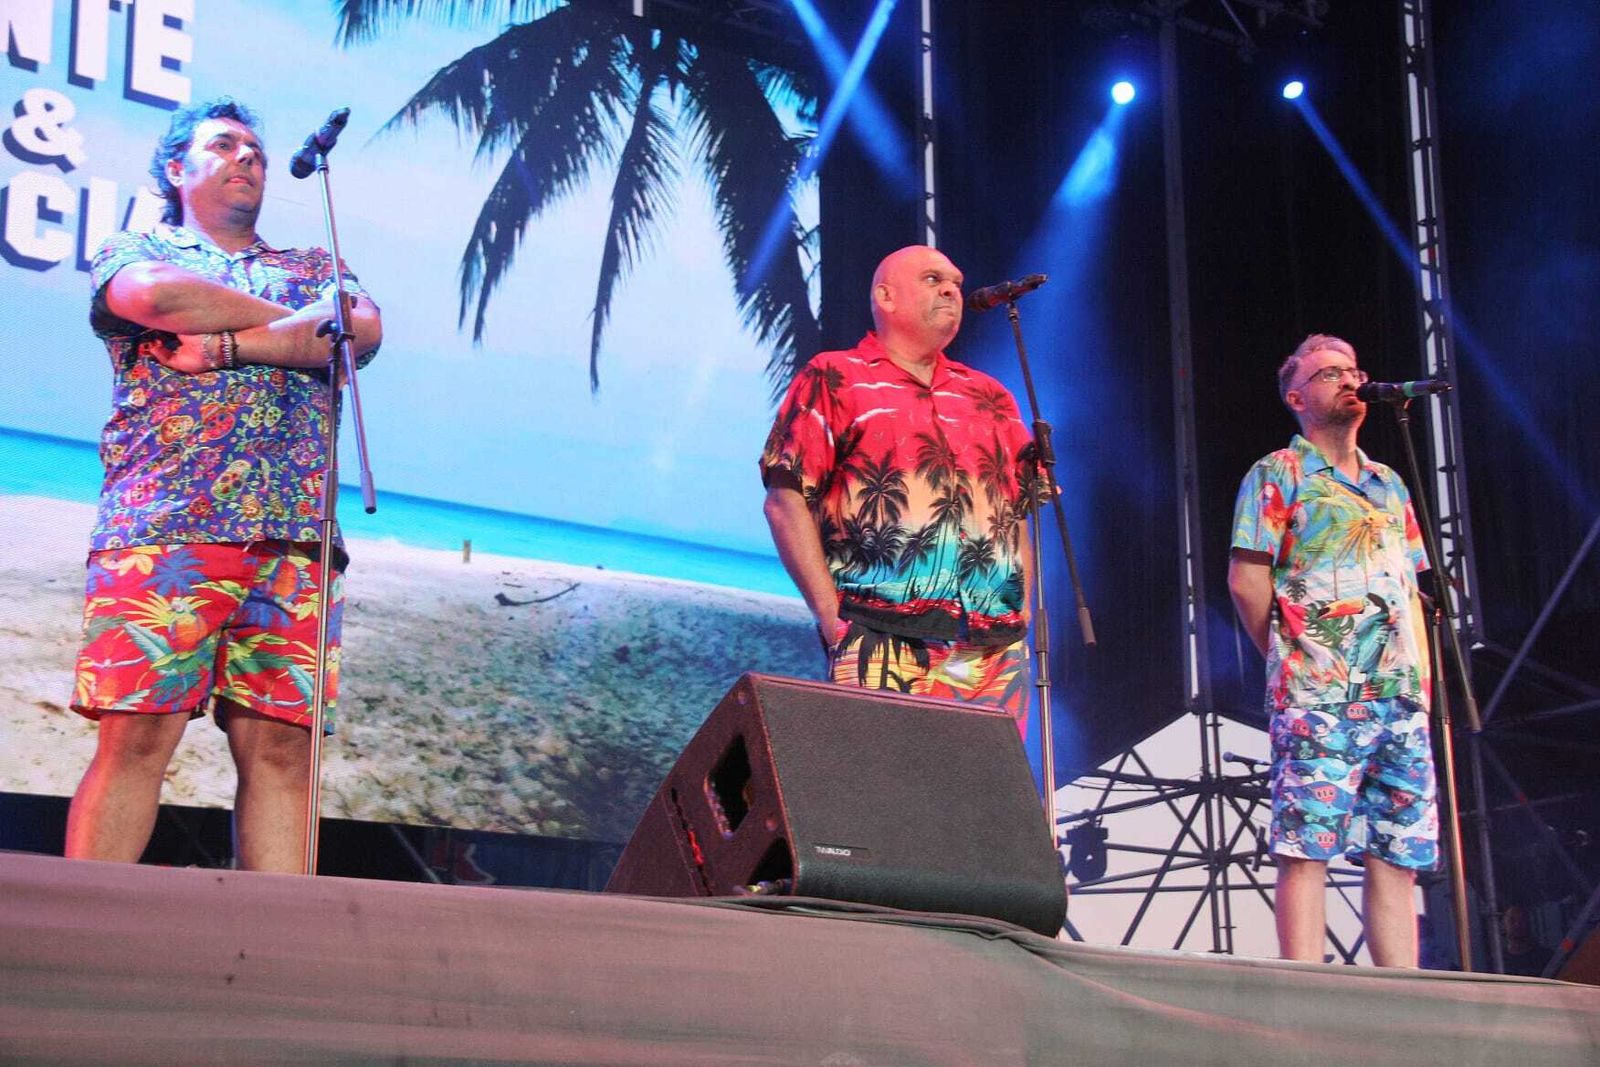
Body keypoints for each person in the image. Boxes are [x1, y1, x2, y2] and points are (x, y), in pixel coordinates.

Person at [64, 98, 383, 873]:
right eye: (224, 144)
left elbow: (361, 329)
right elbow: (154, 299)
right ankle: (76, 941)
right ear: (177, 168)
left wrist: (231, 345)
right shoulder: (139, 246)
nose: (247, 157)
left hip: (296, 540)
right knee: (138, 736)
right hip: (166, 530)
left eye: (257, 150)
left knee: (283, 751)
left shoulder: (314, 265)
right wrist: (303, 325)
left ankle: (275, 959)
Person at [1227, 334, 1437, 967]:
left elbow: (1412, 590)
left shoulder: (1389, 483)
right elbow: (1246, 576)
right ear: (1297, 396)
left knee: (1397, 853)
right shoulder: (1279, 473)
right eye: (1328, 373)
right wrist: (1293, 655)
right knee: (1306, 845)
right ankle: (1306, 996)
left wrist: (1423, 685)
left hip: (1398, 696)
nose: (1348, 380)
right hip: (1317, 693)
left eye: (1353, 369)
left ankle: (1401, 999)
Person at [759, 245, 1035, 725]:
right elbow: (784, 502)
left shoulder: (990, 396)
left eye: (955, 280)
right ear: (886, 297)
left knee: (983, 797)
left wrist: (1024, 609)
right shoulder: (836, 376)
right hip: (878, 633)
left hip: (993, 649)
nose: (951, 289)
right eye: (933, 279)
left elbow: (1015, 514)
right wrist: (832, 617)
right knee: (884, 792)